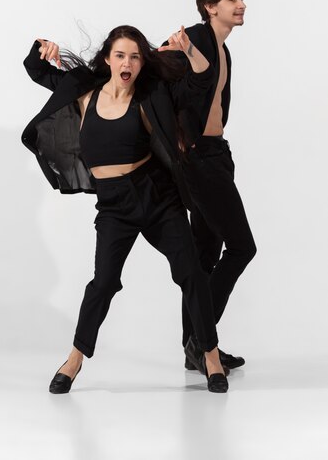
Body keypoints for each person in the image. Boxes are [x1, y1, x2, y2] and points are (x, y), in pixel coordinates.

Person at [22, 25, 229, 393]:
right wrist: (43, 48)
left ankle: (209, 353)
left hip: (157, 196)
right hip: (115, 204)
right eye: (120, 55)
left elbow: (199, 85)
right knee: (103, 283)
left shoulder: (152, 93)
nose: (127, 62)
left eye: (135, 56)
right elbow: (38, 70)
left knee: (191, 272)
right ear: (108, 59)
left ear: (141, 62)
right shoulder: (84, 91)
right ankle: (74, 359)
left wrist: (191, 54)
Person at [165, 0, 257, 374]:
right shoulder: (198, 41)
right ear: (210, 6)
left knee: (206, 255)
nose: (242, 4)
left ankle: (199, 350)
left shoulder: (223, 49)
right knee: (242, 247)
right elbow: (162, 70)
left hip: (216, 154)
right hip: (199, 158)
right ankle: (203, 343)